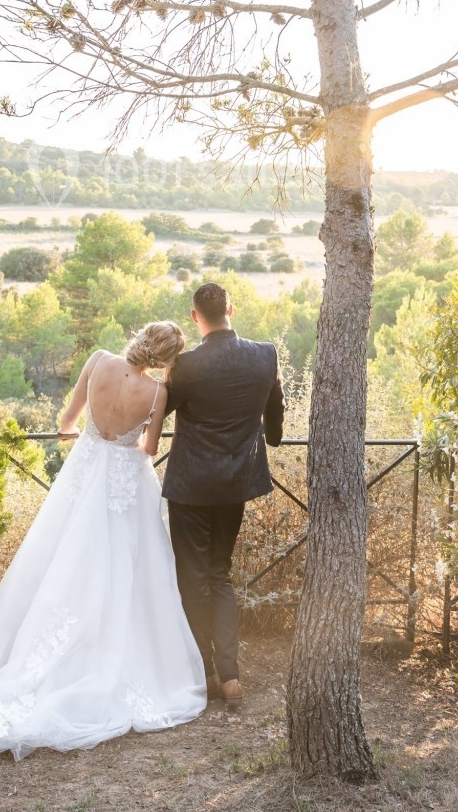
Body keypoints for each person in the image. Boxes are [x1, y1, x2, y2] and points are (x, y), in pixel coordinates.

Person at [0, 321, 206, 763]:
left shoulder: (98, 360)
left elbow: (68, 420)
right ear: (164, 358)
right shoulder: (157, 394)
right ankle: (104, 652)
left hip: (82, 472)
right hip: (122, 486)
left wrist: (88, 436)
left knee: (59, 557)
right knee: (123, 572)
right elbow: (148, 449)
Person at [163, 282, 284, 706]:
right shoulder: (265, 354)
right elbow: (276, 421)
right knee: (220, 573)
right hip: (234, 484)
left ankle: (206, 671)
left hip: (190, 486)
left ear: (195, 317)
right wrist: (273, 436)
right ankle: (232, 675)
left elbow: (159, 411)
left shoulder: (186, 365)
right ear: (231, 308)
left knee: (192, 578)